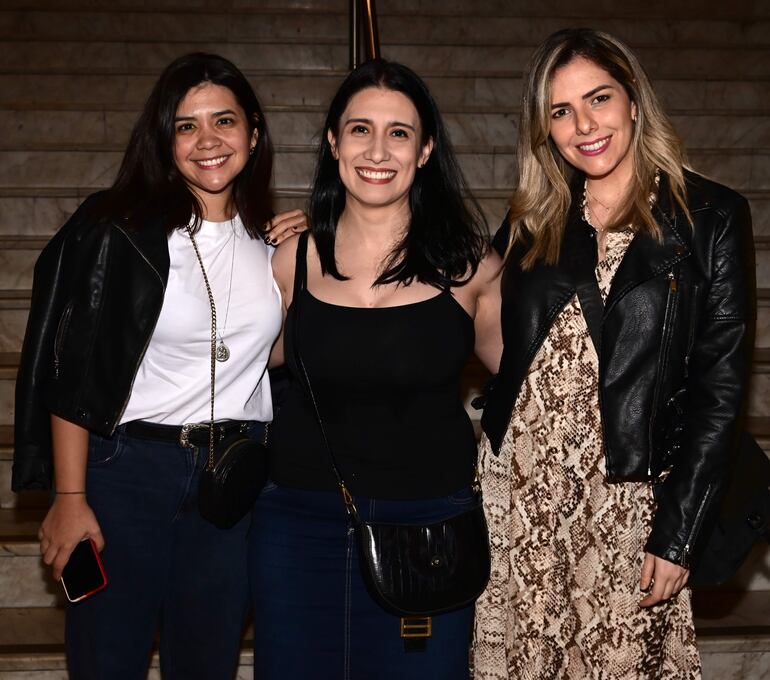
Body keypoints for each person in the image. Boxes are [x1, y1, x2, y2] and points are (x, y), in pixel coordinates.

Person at [13, 53, 305, 679]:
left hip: (232, 482)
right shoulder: (119, 231)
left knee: (207, 663)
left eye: (223, 121)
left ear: (253, 133)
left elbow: (272, 356)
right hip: (128, 476)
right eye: (185, 125)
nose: (208, 141)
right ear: (164, 140)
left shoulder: (270, 245)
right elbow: (77, 373)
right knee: (106, 661)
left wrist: (307, 263)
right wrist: (69, 496)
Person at [473, 28, 754, 679]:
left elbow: (720, 389)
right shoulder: (534, 216)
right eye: (561, 111)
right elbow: (471, 313)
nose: (584, 124)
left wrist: (679, 531)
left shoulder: (708, 216)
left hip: (629, 502)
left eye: (598, 98)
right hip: (521, 493)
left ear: (633, 99)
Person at [249, 58, 502, 679]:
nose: (378, 149)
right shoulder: (289, 259)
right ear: (334, 142)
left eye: (399, 132)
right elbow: (223, 362)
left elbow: (534, 384)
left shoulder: (471, 267)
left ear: (425, 151)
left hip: (429, 528)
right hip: (296, 521)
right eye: (360, 129)